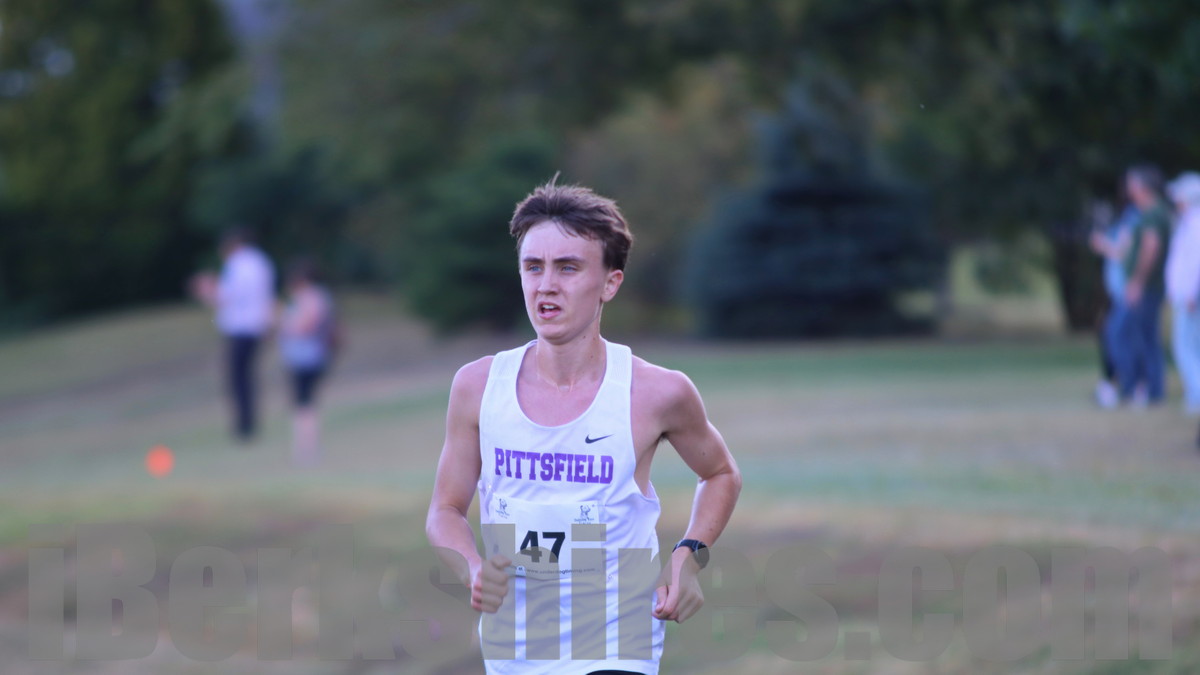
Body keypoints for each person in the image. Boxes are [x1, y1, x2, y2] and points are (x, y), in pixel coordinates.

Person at [425, 180, 742, 675]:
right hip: (515, 647)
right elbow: (445, 510)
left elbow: (721, 473)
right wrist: (472, 568)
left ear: (610, 284)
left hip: (618, 640)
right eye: (533, 266)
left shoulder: (657, 392)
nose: (546, 285)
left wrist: (689, 556)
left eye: (568, 267)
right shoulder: (478, 386)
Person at [192, 227, 275, 442]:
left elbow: (226, 296)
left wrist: (207, 290)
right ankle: (250, 422)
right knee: (248, 376)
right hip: (257, 327)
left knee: (238, 378)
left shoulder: (237, 265)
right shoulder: (261, 261)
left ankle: (244, 426)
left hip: (240, 329)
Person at [1108, 165, 1171, 407]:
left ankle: (1134, 387)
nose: (1128, 189)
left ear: (1144, 187)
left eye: (1132, 184)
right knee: (1145, 337)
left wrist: (1137, 282)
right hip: (1147, 287)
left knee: (1121, 333)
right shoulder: (1153, 212)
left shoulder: (1153, 214)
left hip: (1145, 287)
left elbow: (1150, 248)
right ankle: (1151, 391)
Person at [278, 258, 337, 466]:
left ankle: (307, 449)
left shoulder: (313, 298)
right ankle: (304, 447)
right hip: (300, 358)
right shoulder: (312, 297)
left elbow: (307, 326)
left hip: (308, 358)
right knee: (302, 404)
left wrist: (283, 323)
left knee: (305, 405)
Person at [1090, 197, 1140, 408]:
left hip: (1128, 293)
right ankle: (1116, 385)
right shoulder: (1122, 223)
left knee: (1119, 338)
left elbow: (1125, 253)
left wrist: (1103, 245)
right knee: (1111, 337)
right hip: (1118, 294)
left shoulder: (1136, 221)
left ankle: (1131, 386)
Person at [1166, 172, 1200, 415]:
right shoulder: (1188, 222)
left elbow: (1196, 263)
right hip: (1187, 296)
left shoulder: (1196, 225)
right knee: (1188, 345)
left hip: (1191, 298)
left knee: (1185, 346)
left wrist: (1191, 293)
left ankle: (1196, 395)